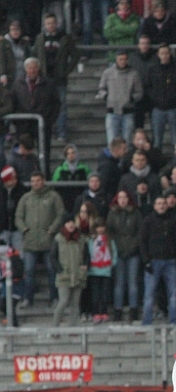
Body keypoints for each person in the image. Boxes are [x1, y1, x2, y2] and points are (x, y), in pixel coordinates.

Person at [15, 172, 65, 307]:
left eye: (38, 180)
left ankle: (54, 298)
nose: (35, 183)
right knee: (28, 271)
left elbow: (61, 214)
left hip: (49, 241)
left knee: (51, 270)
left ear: (43, 181)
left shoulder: (53, 196)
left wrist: (52, 229)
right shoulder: (26, 198)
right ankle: (27, 299)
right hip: (30, 242)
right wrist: (24, 229)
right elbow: (18, 217)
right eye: (33, 181)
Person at [34, 13, 79, 144]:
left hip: (59, 78)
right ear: (45, 25)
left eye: (53, 23)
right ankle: (46, 130)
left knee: (61, 106)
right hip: (44, 78)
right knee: (44, 105)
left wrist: (66, 70)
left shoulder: (65, 38)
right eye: (48, 23)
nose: (51, 25)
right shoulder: (40, 38)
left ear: (56, 23)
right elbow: (34, 54)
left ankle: (62, 132)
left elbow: (75, 55)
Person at [139, 195, 176, 324]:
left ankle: (174, 321)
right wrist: (146, 261)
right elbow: (142, 242)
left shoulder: (173, 221)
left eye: (164, 203)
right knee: (149, 294)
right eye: (159, 203)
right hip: (153, 261)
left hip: (171, 261)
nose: (161, 206)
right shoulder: (148, 221)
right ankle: (147, 322)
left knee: (173, 293)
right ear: (154, 206)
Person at [106, 190, 142, 322]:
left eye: (125, 197)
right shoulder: (112, 213)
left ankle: (134, 310)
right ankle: (118, 310)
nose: (122, 200)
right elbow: (109, 232)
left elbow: (140, 231)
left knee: (133, 283)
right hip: (118, 252)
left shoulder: (135, 213)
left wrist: (134, 246)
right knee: (119, 283)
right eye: (120, 197)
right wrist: (115, 248)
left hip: (133, 252)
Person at [98, 50, 144, 147]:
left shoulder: (134, 74)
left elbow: (139, 92)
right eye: (120, 59)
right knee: (112, 143)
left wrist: (131, 98)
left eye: (125, 59)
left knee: (126, 143)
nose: (123, 61)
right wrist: (106, 97)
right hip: (112, 112)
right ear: (116, 59)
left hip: (127, 112)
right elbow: (101, 88)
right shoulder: (107, 73)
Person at [50, 214, 88, 325]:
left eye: (72, 222)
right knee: (63, 301)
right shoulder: (58, 238)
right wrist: (59, 270)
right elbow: (52, 256)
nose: (71, 225)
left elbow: (87, 255)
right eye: (68, 223)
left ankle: (73, 327)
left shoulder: (81, 238)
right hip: (64, 275)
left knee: (75, 303)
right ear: (64, 225)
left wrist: (85, 265)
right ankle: (54, 327)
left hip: (78, 274)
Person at [148, 45, 176, 149]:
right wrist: (155, 99)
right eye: (162, 53)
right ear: (158, 55)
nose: (165, 56)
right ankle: (157, 158)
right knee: (157, 140)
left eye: (167, 53)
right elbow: (148, 87)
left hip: (173, 107)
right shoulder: (153, 70)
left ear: (170, 54)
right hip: (157, 108)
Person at [86, 218, 116, 323]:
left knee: (105, 293)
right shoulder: (90, 240)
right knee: (95, 294)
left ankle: (104, 312)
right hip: (94, 271)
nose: (100, 229)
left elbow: (114, 252)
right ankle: (95, 313)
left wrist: (112, 264)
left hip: (106, 271)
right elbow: (88, 254)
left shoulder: (109, 240)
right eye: (98, 227)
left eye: (102, 227)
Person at [0, 166, 26, 251]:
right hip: (3, 229)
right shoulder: (2, 192)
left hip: (17, 229)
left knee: (19, 253)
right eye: (11, 179)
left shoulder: (21, 190)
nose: (15, 181)